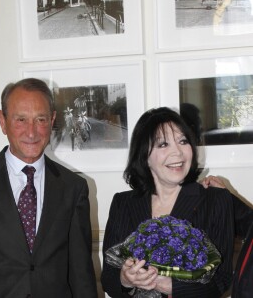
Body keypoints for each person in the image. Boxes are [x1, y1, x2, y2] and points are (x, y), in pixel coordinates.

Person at [0, 78, 97, 297]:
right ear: (3, 121)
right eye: (21, 119)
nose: (32, 132)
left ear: (52, 121)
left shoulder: (73, 188)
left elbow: (81, 276)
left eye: (41, 119)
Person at [101, 107, 237, 298]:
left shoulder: (216, 199)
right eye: (163, 144)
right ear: (144, 156)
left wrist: (171, 286)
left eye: (183, 141)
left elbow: (221, 279)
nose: (178, 153)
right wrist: (125, 279)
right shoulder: (123, 203)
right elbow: (108, 279)